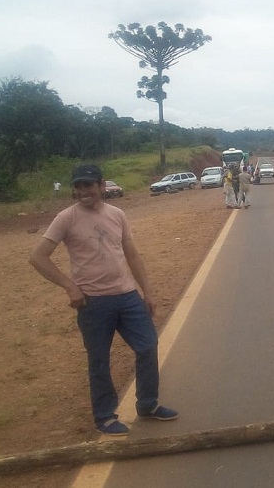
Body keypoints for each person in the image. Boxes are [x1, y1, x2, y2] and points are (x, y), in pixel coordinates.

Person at [29, 164, 178, 436]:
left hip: (127, 296)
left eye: (88, 185)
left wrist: (147, 291)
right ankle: (105, 416)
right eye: (78, 186)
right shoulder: (66, 218)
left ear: (101, 185)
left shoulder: (117, 214)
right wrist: (69, 286)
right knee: (99, 360)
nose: (83, 191)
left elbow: (132, 255)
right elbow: (38, 257)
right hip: (93, 303)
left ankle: (148, 404)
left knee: (147, 346)